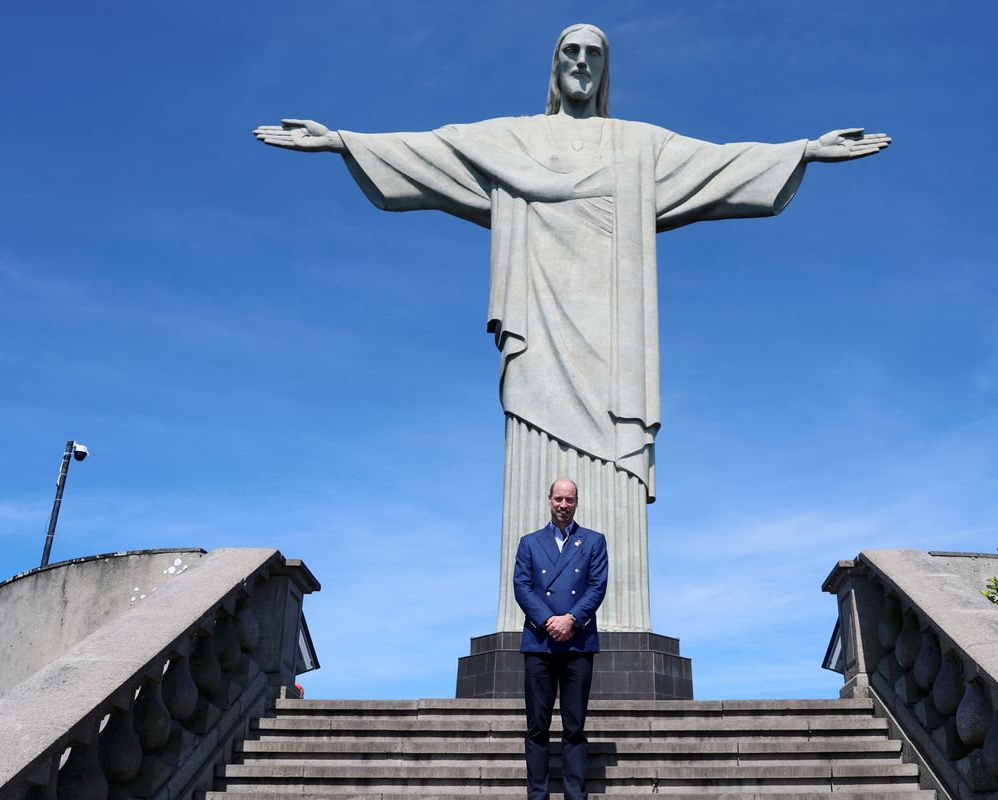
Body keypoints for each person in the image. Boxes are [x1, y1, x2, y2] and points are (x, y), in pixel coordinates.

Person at [254, 24, 890, 637]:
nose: (582, 61)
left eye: (594, 53)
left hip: (615, 338)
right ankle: (530, 625)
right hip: (538, 324)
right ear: (555, 67)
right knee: (533, 448)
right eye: (570, 51)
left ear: (605, 69)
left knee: (615, 463)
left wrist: (802, 150)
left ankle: (612, 623)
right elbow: (433, 150)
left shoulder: (639, 145)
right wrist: (342, 141)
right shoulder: (513, 140)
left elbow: (720, 165)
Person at [512, 477, 607, 800]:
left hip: (578, 642)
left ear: (576, 502)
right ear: (549, 500)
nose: (563, 506)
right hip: (539, 642)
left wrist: (572, 619)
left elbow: (597, 586)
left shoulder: (594, 541)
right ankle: (537, 795)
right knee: (537, 727)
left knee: (574, 727)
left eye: (569, 500)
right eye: (558, 499)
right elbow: (522, 586)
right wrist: (548, 620)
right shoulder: (529, 542)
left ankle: (574, 795)